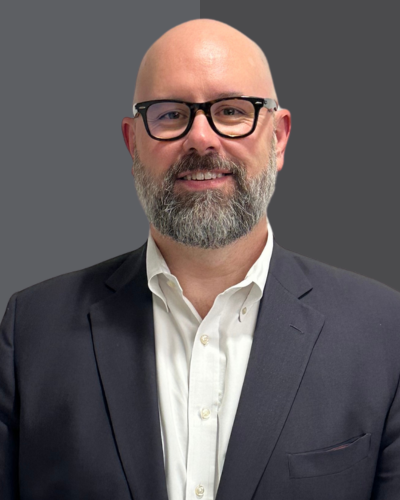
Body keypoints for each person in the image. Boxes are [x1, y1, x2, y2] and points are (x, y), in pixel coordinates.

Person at [0, 18, 399, 500]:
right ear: (132, 143)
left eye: (231, 111)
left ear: (278, 138)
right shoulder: (31, 332)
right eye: (170, 114)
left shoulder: (384, 334)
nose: (201, 139)